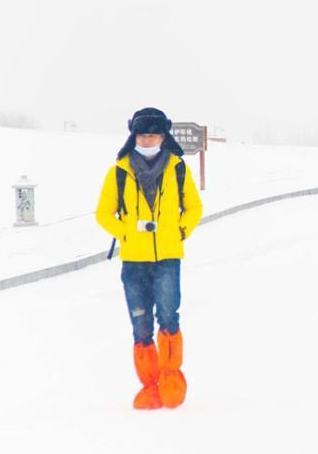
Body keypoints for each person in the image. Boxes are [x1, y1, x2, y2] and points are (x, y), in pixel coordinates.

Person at [95, 108, 203, 410]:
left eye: (154, 134)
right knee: (140, 324)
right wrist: (127, 232)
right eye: (143, 134)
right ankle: (150, 386)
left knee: (168, 317)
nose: (148, 139)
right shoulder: (119, 170)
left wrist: (180, 231)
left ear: (163, 136)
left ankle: (171, 379)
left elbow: (193, 207)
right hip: (133, 260)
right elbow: (104, 213)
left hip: (168, 257)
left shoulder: (178, 168)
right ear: (134, 136)